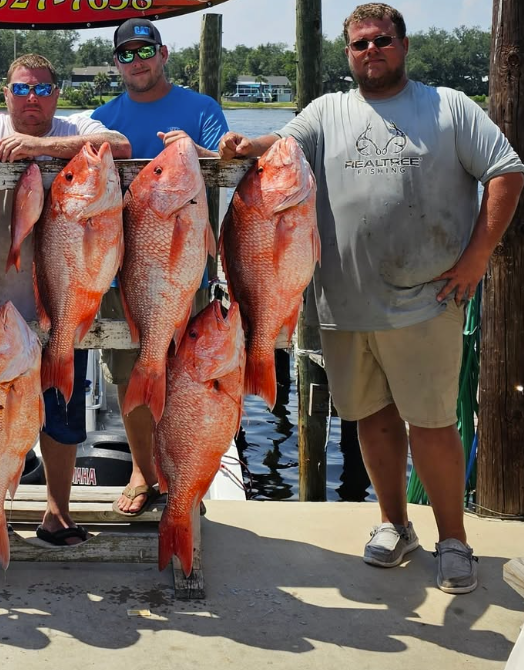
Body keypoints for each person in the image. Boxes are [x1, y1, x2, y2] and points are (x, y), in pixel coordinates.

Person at [219, 2, 524, 594]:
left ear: (403, 45)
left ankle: (454, 540)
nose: (371, 51)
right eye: (359, 44)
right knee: (372, 422)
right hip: (343, 308)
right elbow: (280, 146)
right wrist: (242, 143)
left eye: (381, 40)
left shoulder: (449, 107)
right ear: (347, 54)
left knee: (433, 423)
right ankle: (394, 524)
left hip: (427, 300)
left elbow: (506, 171)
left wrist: (478, 255)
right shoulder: (326, 111)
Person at [0, 53, 130, 546]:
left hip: (63, 306)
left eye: (42, 89)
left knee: (62, 416)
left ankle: (58, 512)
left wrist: (40, 146)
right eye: (21, 89)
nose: (31, 98)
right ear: (5, 93)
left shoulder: (77, 127)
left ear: (56, 93)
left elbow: (118, 144)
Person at [89, 18, 229, 516]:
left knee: (186, 373)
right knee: (131, 372)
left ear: (163, 52)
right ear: (116, 63)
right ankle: (143, 471)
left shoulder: (201, 108)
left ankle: (180, 469)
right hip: (122, 269)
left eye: (144, 51)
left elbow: (226, 158)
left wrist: (193, 152)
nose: (137, 61)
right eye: (125, 54)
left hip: (183, 266)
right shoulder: (101, 117)